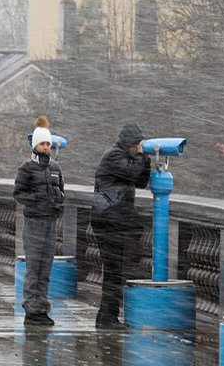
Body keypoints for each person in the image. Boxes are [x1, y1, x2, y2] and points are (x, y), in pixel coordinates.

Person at [91, 123, 151, 330]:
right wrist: (141, 157)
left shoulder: (126, 157)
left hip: (114, 218)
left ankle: (105, 317)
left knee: (114, 270)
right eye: (138, 144)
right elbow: (133, 174)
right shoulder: (114, 156)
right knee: (114, 270)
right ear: (130, 143)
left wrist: (147, 159)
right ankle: (107, 318)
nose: (139, 147)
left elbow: (142, 181)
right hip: (108, 219)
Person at [13, 116, 65, 326]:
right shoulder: (26, 168)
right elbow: (18, 193)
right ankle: (31, 310)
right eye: (43, 144)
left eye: (48, 144)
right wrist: (37, 199)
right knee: (34, 267)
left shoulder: (55, 167)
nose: (46, 147)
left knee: (46, 267)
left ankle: (41, 309)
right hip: (34, 222)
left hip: (50, 222)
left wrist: (58, 200)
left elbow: (61, 190)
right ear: (35, 145)